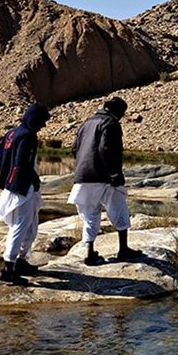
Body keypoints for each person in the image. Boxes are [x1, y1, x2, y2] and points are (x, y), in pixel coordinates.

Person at [68, 97, 141, 265]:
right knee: (118, 207)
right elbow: (105, 149)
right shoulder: (111, 123)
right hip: (103, 176)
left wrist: (81, 165)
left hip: (82, 176)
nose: (122, 117)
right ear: (118, 111)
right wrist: (114, 173)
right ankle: (123, 249)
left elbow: (74, 149)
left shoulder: (87, 122)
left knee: (89, 214)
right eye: (122, 113)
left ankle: (89, 252)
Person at [0, 103, 51, 285]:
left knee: (30, 226)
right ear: (34, 120)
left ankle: (21, 261)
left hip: (13, 185)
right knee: (19, 227)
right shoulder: (28, 136)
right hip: (22, 188)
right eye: (42, 122)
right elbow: (22, 162)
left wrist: (7, 174)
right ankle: (8, 268)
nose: (43, 126)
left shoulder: (11, 133)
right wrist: (34, 179)